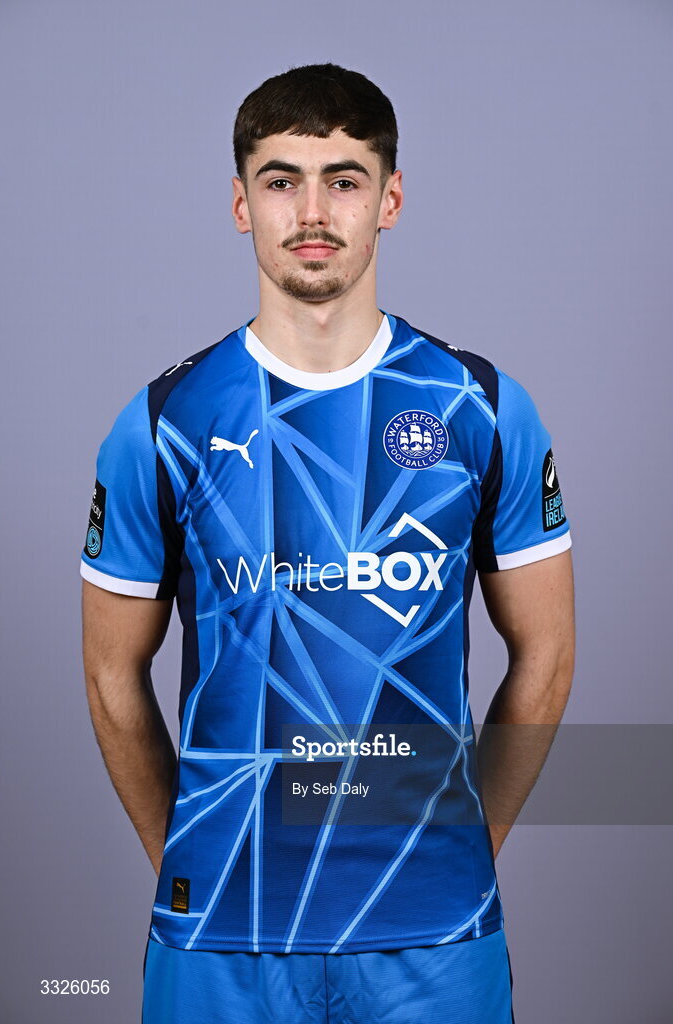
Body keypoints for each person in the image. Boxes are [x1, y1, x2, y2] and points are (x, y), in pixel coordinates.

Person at [80, 63, 575, 1024]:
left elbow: (546, 655)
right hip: (224, 935)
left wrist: (467, 843)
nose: (313, 210)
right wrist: (193, 855)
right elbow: (110, 676)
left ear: (388, 198)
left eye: (343, 179)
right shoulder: (161, 422)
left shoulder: (480, 409)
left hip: (435, 932)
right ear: (240, 204)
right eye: (281, 179)